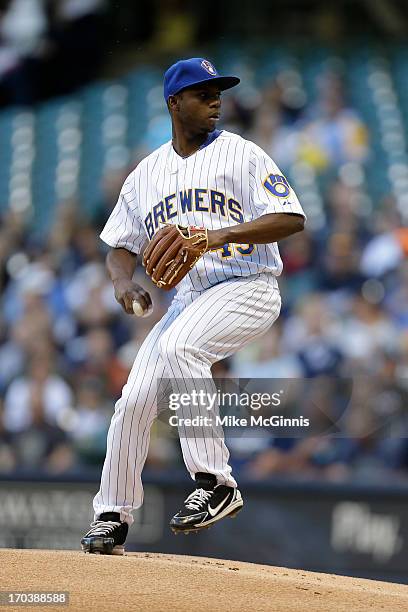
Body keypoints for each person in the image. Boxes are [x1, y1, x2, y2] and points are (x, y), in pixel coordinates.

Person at [81, 58, 306, 555]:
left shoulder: (241, 154)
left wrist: (217, 235)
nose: (215, 101)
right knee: (136, 398)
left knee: (183, 347)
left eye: (218, 93)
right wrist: (123, 283)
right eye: (203, 94)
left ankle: (216, 482)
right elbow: (119, 244)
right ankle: (112, 516)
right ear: (173, 103)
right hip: (191, 298)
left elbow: (291, 217)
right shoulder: (147, 173)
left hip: (250, 284)